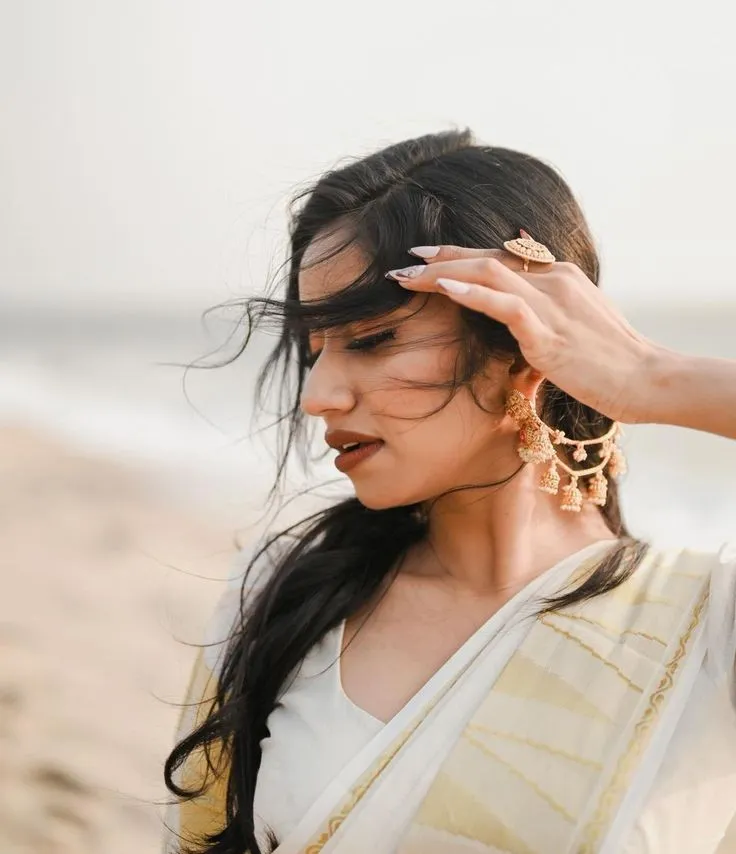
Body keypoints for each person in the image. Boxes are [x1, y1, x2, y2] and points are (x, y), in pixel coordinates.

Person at [162, 130, 736, 854]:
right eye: (313, 352)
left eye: (370, 339)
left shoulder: (704, 636)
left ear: (524, 343)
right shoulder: (285, 595)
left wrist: (653, 378)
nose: (317, 396)